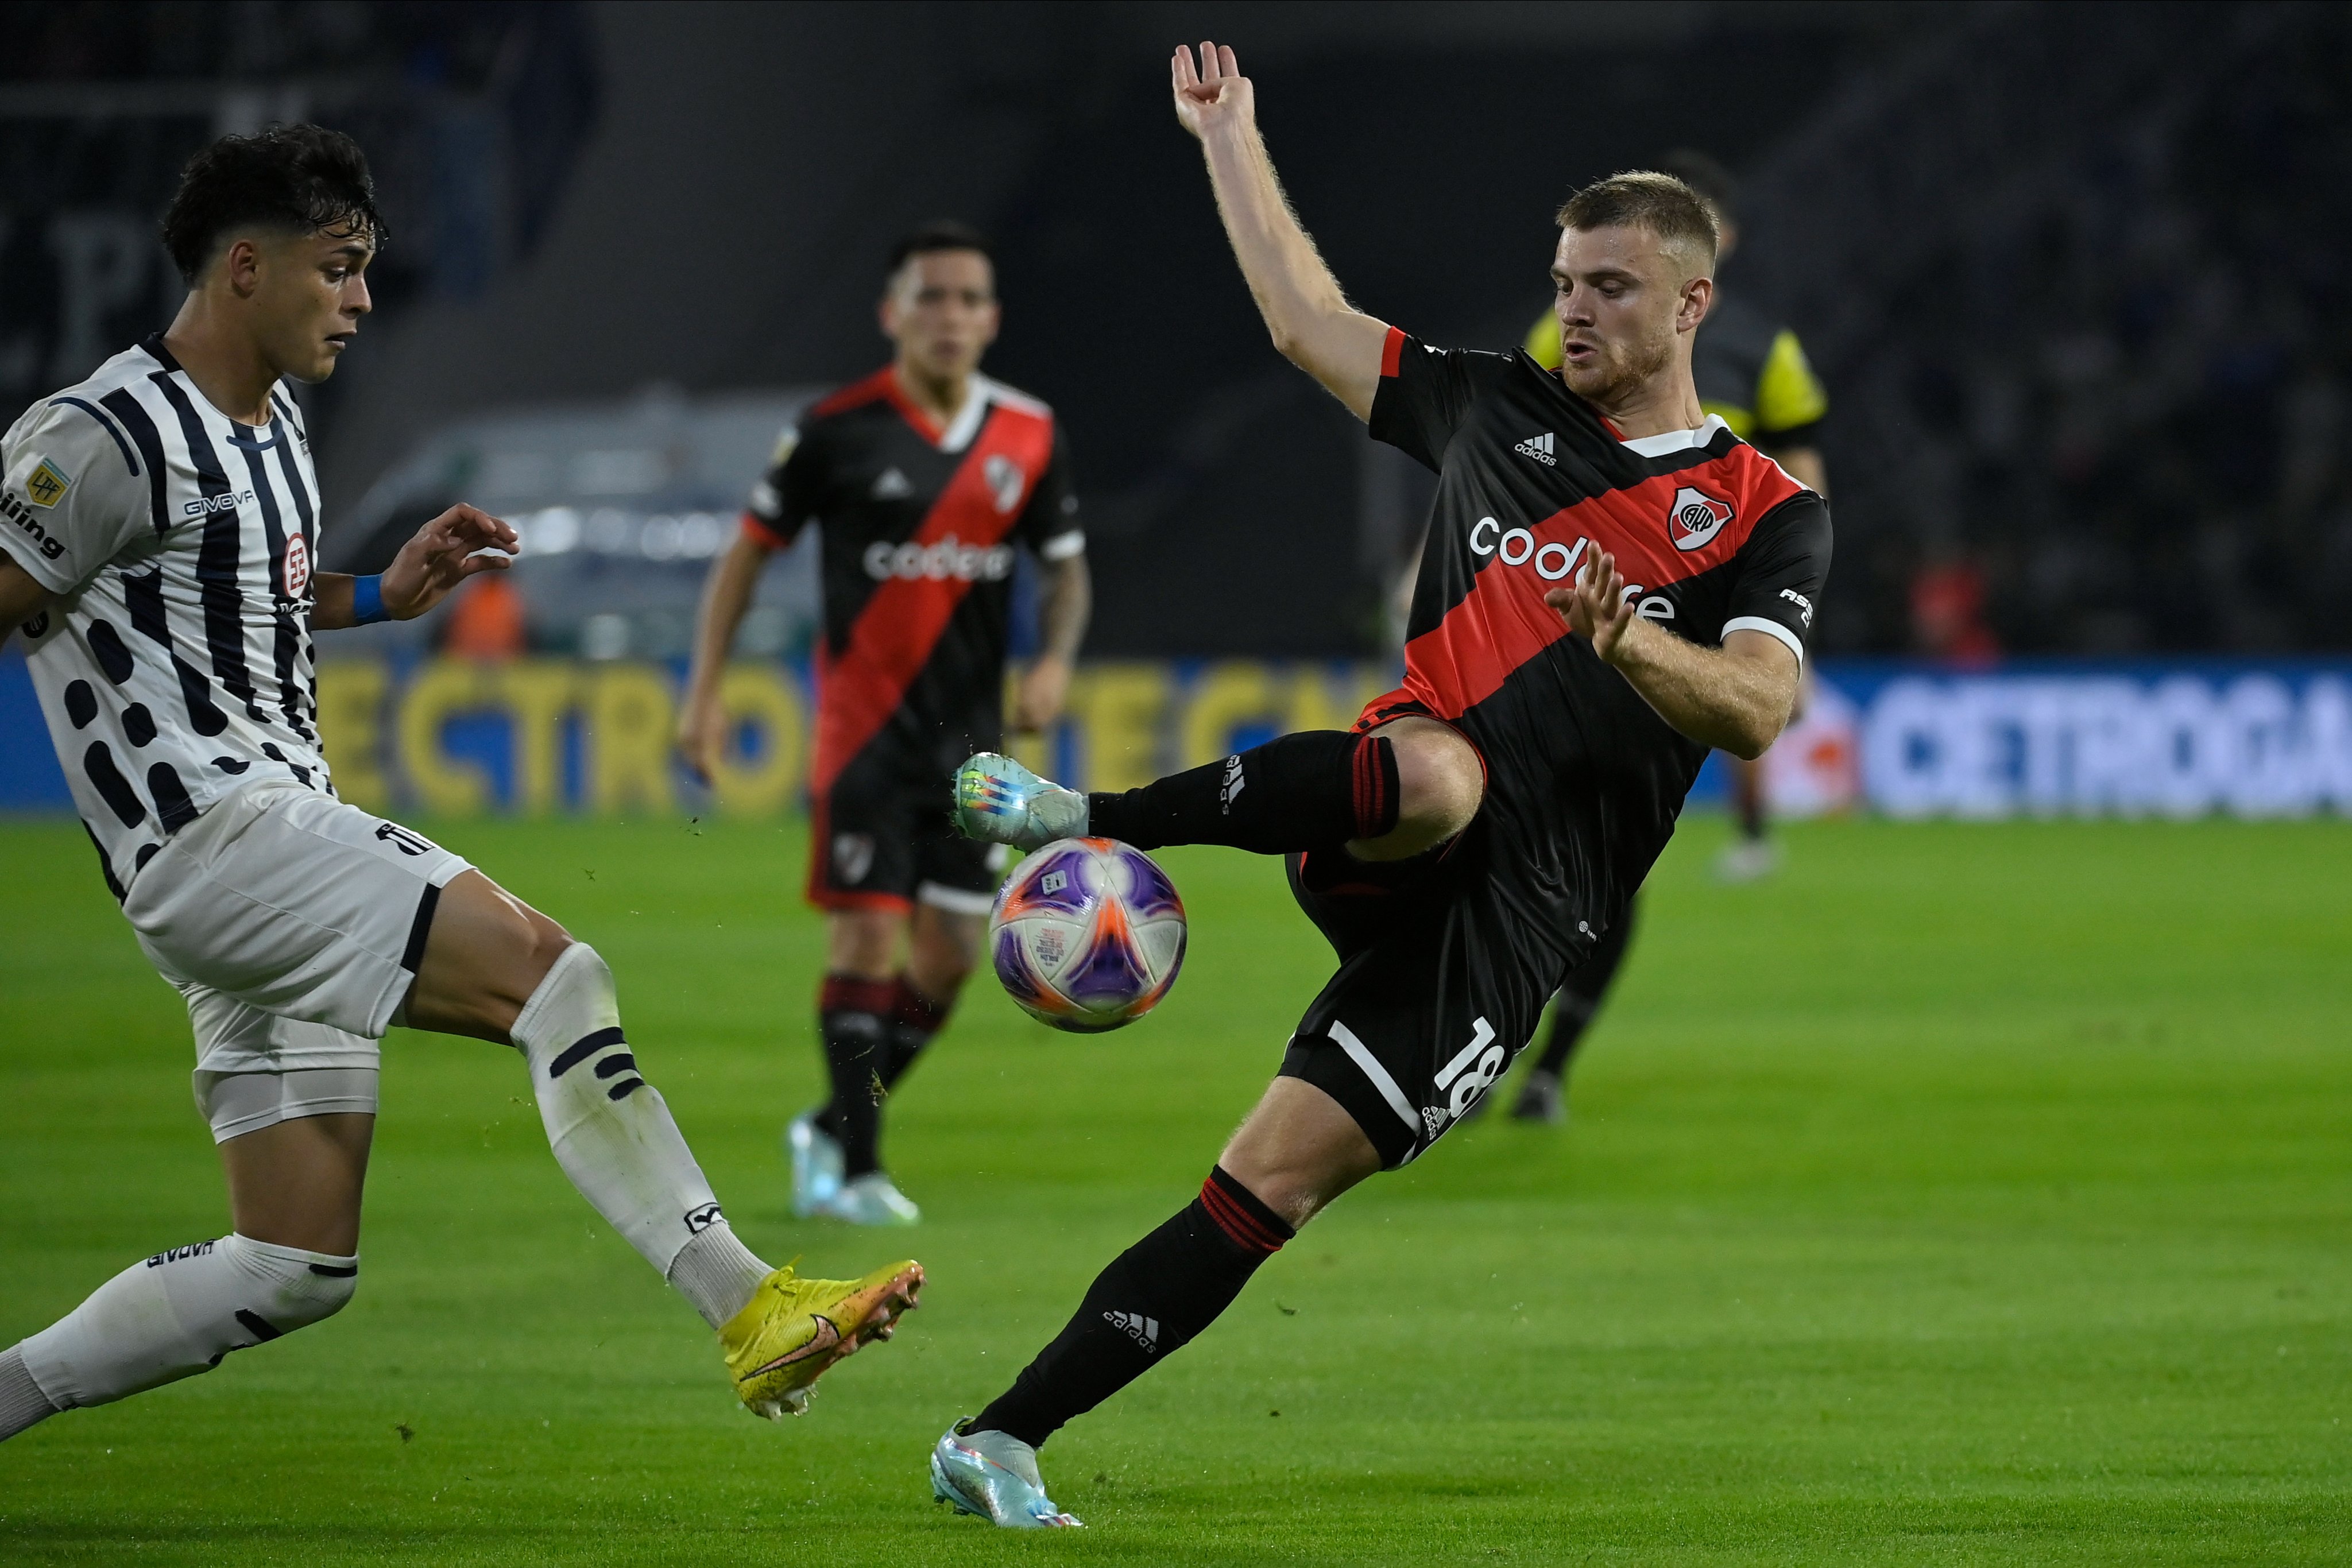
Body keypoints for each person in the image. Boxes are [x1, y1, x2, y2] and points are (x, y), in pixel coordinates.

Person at [924, 42, 1833, 1529]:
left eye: (1610, 284)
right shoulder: (1489, 410)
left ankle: (998, 1437)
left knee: (1267, 1183)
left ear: (1692, 304)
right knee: (1443, 768)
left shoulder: (1763, 511)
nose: (1576, 306)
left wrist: (1632, 642)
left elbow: (1760, 704)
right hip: (1389, 814)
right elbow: (1302, 319)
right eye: (1564, 278)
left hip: (1526, 918)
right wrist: (1229, 136)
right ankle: (1084, 818)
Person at [0, 126, 920, 1447]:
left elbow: (238, 596)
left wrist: (384, 591)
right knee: (557, 976)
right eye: (340, 268)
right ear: (245, 267)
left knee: (293, 1262)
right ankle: (747, 1307)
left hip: (242, 850)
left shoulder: (269, 425)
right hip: (222, 835)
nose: (363, 300)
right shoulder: (101, 434)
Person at [677, 222, 1090, 1228]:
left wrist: (1054, 660)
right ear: (892, 313)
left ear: (991, 319)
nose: (949, 316)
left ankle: (827, 1123)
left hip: (974, 754)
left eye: (967, 299)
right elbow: (746, 555)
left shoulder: (1029, 433)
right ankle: (858, 1172)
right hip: (862, 737)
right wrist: (705, 689)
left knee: (948, 959)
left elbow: (1068, 563)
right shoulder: (836, 430)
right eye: (930, 297)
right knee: (865, 942)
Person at [1527, 148, 1829, 886]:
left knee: (1732, 694)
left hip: (1712, 548)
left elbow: (1801, 461)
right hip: (1597, 543)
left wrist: (1796, 578)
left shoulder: (1765, 347)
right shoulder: (1580, 322)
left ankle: (1751, 832)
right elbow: (1517, 418)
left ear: (1724, 240)